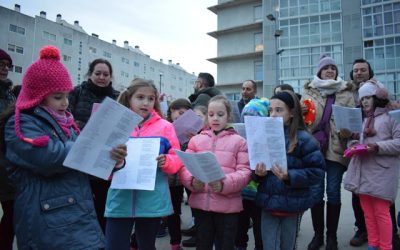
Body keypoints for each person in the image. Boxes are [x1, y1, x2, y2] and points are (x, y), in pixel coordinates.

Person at [1, 45, 127, 249]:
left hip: (77, 213)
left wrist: (113, 159)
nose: (65, 103)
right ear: (37, 97)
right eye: (57, 97)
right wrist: (96, 148)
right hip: (47, 221)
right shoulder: (20, 125)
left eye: (67, 96)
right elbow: (49, 158)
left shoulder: (66, 122)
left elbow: (85, 165)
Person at [104, 78, 182, 250]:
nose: (146, 102)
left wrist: (166, 161)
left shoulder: (166, 127)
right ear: (129, 98)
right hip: (120, 197)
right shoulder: (116, 125)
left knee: (146, 245)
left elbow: (177, 159)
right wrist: (113, 161)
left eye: (151, 98)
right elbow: (100, 162)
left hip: (151, 200)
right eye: (140, 97)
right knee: (114, 245)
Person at [254, 91, 325, 250]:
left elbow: (317, 172)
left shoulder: (304, 139)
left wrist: (290, 176)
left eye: (279, 110)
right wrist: (258, 173)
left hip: (292, 204)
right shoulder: (263, 136)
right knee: (269, 245)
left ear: (292, 113)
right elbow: (255, 166)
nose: (273, 115)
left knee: (288, 245)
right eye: (270, 110)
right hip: (268, 202)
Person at [180, 95, 251, 250]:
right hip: (201, 206)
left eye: (220, 114)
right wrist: (192, 180)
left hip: (228, 208)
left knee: (225, 245)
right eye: (211, 114)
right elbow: (185, 167)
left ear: (228, 115)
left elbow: (244, 172)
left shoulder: (239, 141)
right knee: (203, 245)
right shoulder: (196, 140)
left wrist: (224, 184)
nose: (215, 118)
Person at [302, 54, 355, 250]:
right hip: (314, 149)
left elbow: (352, 121)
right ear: (319, 72)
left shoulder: (347, 93)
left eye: (333, 68)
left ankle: (331, 237)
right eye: (326, 68)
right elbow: (304, 120)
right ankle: (318, 236)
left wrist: (348, 130)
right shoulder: (309, 92)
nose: (330, 71)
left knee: (333, 192)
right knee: (316, 193)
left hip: (336, 148)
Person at [349, 58, 400, 248]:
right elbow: (359, 140)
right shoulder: (363, 120)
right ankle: (373, 244)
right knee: (368, 214)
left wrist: (377, 147)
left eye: (367, 98)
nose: (364, 102)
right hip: (364, 173)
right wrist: (353, 144)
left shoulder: (391, 117)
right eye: (362, 99)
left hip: (382, 173)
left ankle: (386, 246)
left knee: (381, 213)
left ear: (377, 98)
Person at [68, 58, 120, 233]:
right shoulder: (77, 92)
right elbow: (66, 119)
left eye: (106, 74)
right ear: (90, 74)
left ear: (110, 77)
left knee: (104, 203)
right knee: (83, 202)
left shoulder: (117, 96)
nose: (101, 77)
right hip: (81, 154)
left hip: (106, 157)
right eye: (97, 73)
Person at [235, 98, 270, 250]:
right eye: (246, 118)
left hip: (259, 193)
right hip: (242, 193)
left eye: (254, 119)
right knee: (240, 228)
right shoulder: (239, 139)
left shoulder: (268, 139)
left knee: (259, 228)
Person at [166, 98, 193, 250]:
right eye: (179, 113)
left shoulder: (192, 132)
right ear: (171, 111)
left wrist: (191, 140)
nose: (181, 118)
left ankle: (178, 241)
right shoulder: (164, 126)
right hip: (170, 178)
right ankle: (175, 243)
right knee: (173, 211)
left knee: (189, 206)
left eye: (185, 114)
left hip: (186, 176)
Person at [0, 48, 16, 250]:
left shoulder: (10, 95)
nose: (5, 69)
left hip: (7, 162)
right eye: (0, 65)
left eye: (7, 66)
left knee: (12, 214)